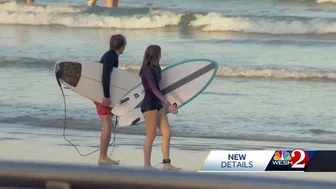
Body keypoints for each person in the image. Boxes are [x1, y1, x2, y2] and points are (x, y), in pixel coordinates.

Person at [139, 45, 181, 171]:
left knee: (167, 133)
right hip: (150, 104)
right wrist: (169, 105)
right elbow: (154, 89)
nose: (161, 55)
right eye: (160, 53)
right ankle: (147, 165)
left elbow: (161, 87)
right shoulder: (146, 70)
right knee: (151, 135)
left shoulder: (156, 67)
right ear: (157, 54)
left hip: (158, 104)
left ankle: (166, 163)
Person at [94, 34, 126, 165]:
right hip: (102, 94)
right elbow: (105, 74)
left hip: (101, 93)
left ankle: (103, 156)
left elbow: (112, 80)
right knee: (107, 122)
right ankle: (103, 157)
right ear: (122, 45)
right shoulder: (111, 56)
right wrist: (106, 96)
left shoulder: (110, 55)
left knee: (107, 121)